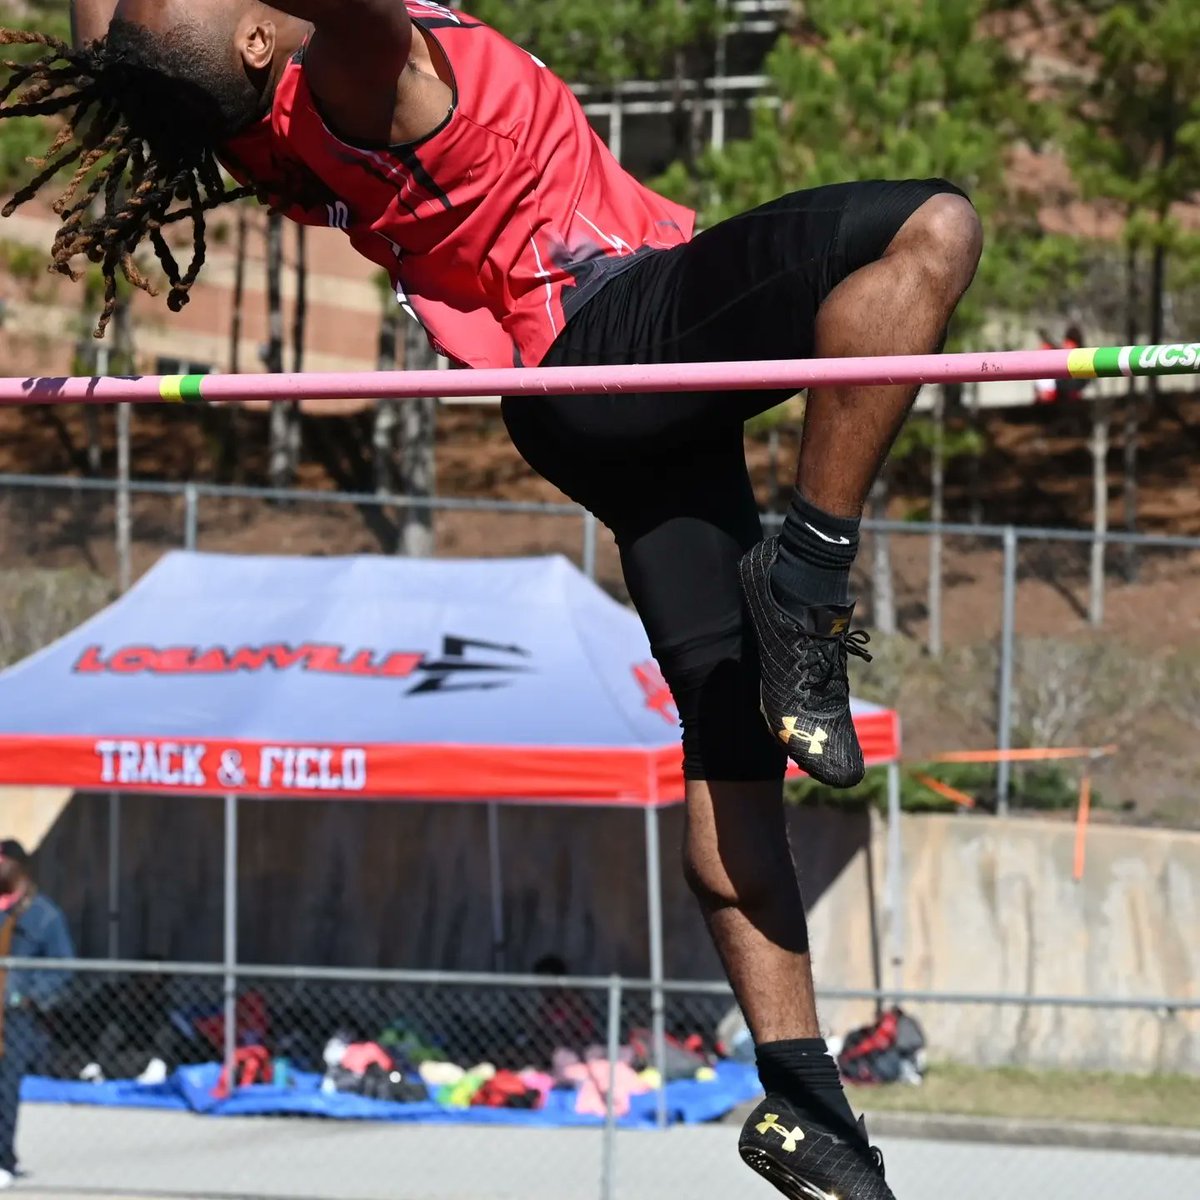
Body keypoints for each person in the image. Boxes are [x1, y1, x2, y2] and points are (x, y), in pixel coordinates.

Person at [0, 6, 983, 1196]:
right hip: (610, 328)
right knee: (931, 230)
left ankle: (801, 1096)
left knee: (732, 740)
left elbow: (133, 40)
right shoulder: (354, 78)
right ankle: (808, 584)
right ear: (258, 45)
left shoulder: (249, 122)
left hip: (578, 398)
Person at [0, 840, 75, 1190]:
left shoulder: (43, 915)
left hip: (13, 1018)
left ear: (18, 867)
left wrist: (28, 995)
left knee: (5, 1089)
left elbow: (63, 967)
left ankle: (3, 1159)